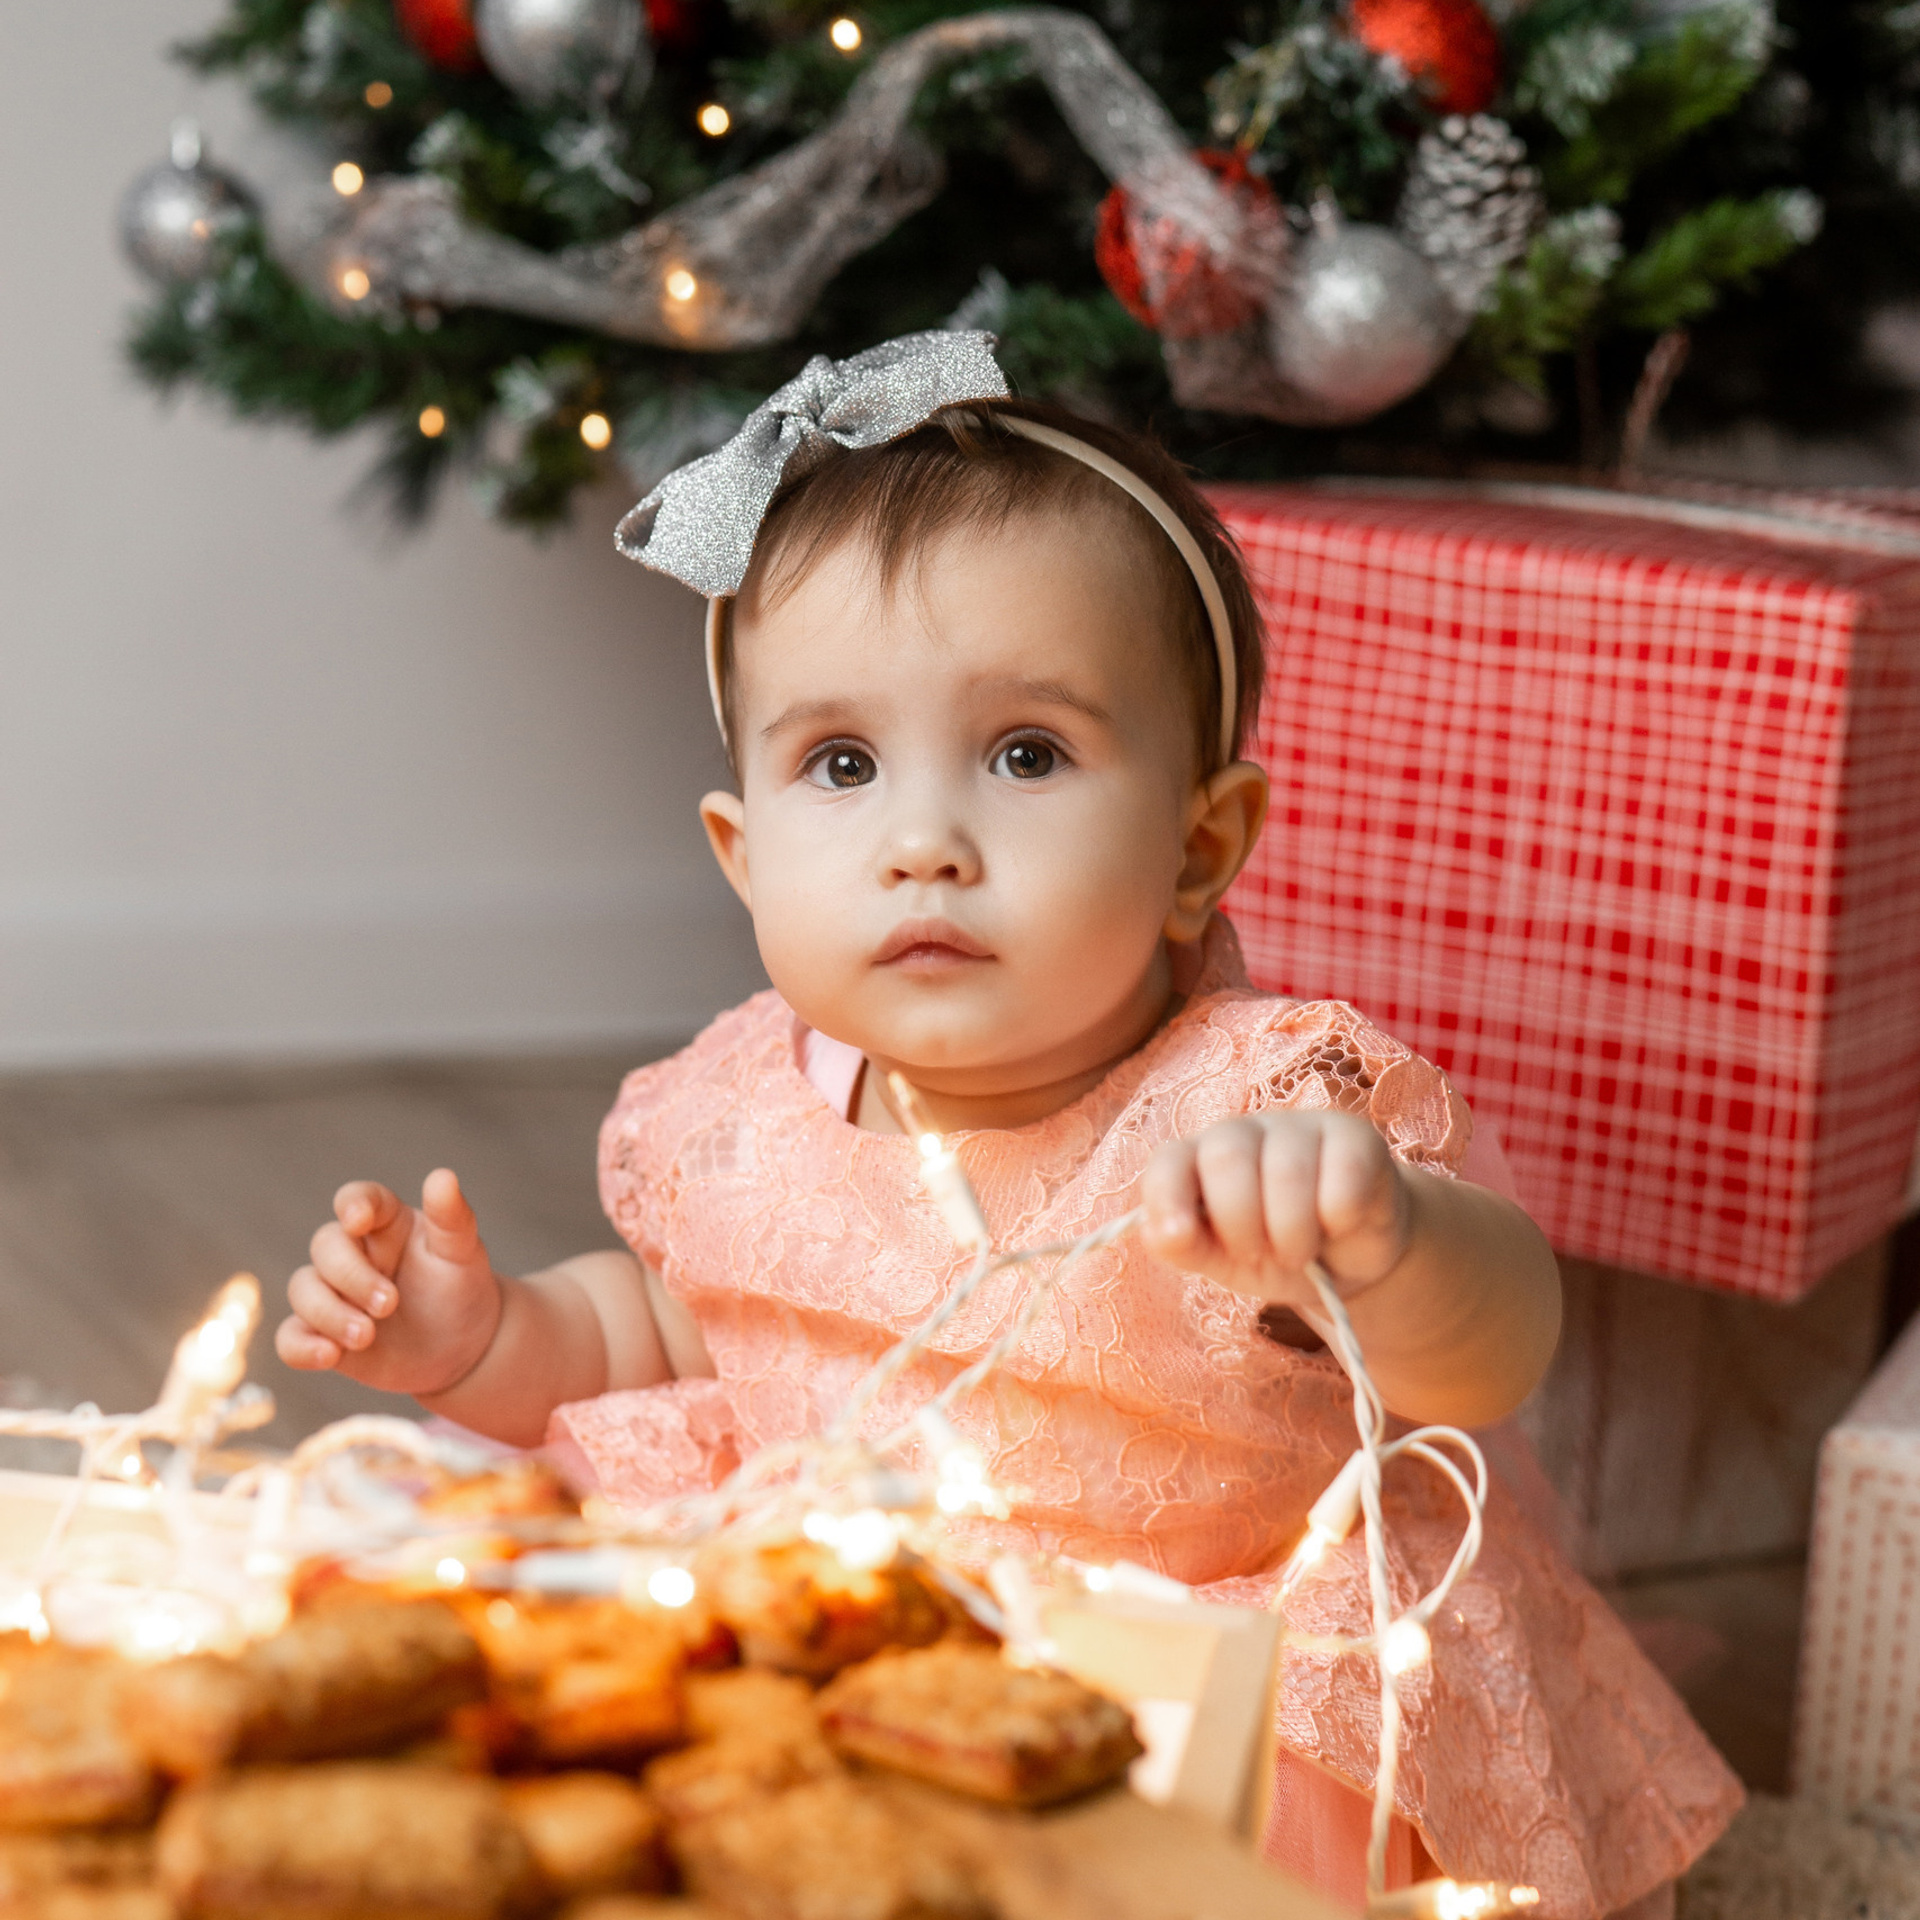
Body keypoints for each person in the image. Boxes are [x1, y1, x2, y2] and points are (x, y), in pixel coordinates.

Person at [275, 334, 1739, 1914]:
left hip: (1185, 1693)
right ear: (742, 854)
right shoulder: (738, 1106)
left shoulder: (1262, 1107)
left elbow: (1485, 1357)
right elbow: (660, 1335)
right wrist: (479, 1339)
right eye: (840, 763)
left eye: (1026, 753)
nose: (923, 841)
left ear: (1199, 846)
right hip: (833, 1632)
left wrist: (1387, 1232)